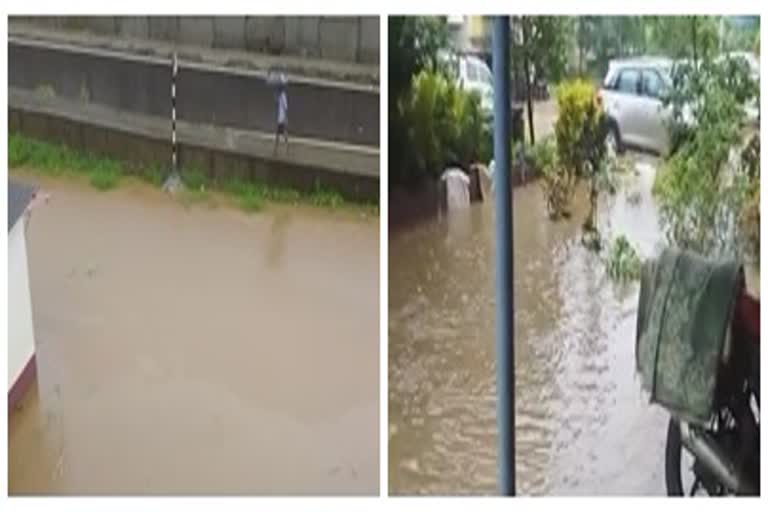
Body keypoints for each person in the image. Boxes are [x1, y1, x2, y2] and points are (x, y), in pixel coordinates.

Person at [273, 75, 288, 156]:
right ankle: (282, 146)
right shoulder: (281, 95)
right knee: (280, 132)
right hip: (280, 117)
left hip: (281, 117)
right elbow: (276, 100)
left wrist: (285, 117)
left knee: (280, 132)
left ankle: (278, 147)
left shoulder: (283, 96)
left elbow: (285, 107)